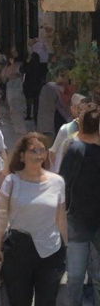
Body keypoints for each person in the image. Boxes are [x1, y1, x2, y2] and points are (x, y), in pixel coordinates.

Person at [0, 132, 67, 306]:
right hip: (19, 251)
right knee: (19, 301)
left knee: (47, 301)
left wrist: (66, 248)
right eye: (33, 151)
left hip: (51, 250)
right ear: (22, 155)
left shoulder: (57, 182)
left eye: (42, 150)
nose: (39, 155)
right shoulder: (11, 181)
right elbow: (1, 216)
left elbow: (61, 217)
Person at [59, 104, 100, 306]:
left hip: (86, 223)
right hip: (78, 222)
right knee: (76, 277)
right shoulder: (76, 149)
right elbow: (63, 185)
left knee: (85, 277)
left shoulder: (74, 147)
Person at [2, 47, 26, 137]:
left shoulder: (20, 65)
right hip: (11, 87)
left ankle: (21, 128)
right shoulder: (7, 67)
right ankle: (17, 128)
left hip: (17, 86)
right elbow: (4, 77)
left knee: (18, 107)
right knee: (12, 107)